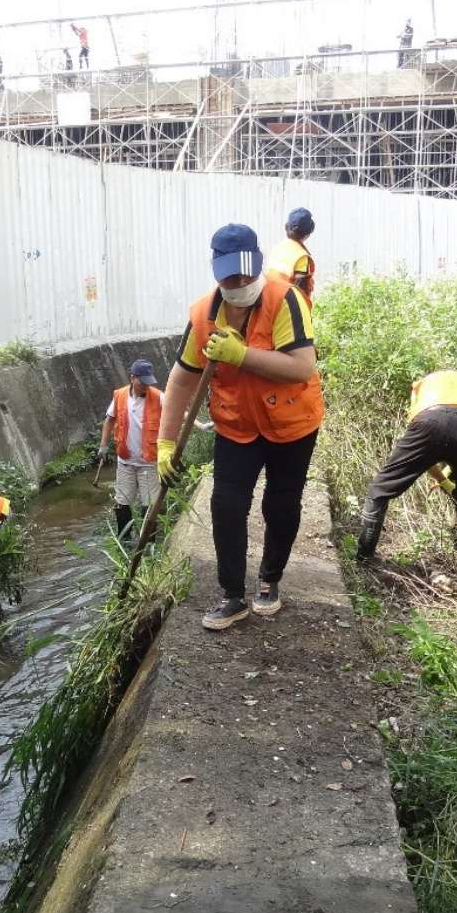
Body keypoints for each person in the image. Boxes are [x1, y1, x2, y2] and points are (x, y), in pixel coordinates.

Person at [157, 224, 322, 630]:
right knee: (226, 505)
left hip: (291, 425)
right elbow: (182, 380)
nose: (240, 282)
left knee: (281, 504)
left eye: (246, 272)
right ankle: (232, 595)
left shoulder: (286, 300)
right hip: (236, 426)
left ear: (259, 264)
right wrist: (164, 442)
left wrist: (241, 354)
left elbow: (301, 366)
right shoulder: (202, 314)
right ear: (216, 270)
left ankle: (269, 580)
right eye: (230, 274)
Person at [355, 370, 457, 561]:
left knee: (379, 490)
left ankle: (364, 556)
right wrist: (445, 481)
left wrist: (443, 479)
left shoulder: (421, 387)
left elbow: (426, 455)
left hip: (431, 419)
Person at [98, 359, 163, 538]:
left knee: (149, 505)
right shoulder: (120, 396)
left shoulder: (158, 396)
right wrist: (103, 445)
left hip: (148, 463)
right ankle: (124, 541)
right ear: (132, 378)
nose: (146, 387)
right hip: (126, 462)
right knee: (122, 503)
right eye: (142, 382)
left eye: (148, 383)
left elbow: (178, 412)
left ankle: (148, 545)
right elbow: (110, 419)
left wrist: (199, 424)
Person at [266, 208, 316, 302]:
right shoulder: (301, 256)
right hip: (286, 305)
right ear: (308, 233)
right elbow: (299, 294)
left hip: (269, 300)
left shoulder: (277, 248)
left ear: (286, 228)